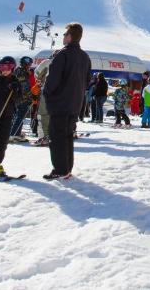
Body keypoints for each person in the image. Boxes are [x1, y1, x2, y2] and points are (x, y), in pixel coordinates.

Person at [41, 22, 91, 181]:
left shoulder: (62, 54)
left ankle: (60, 169)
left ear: (70, 36)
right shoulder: (85, 56)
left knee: (56, 137)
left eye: (65, 34)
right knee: (68, 136)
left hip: (60, 103)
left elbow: (53, 79)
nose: (63, 37)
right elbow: (88, 80)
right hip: (75, 103)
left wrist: (47, 93)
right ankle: (67, 168)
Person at [9, 57, 34, 138]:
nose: (29, 66)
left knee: (19, 115)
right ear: (24, 64)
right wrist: (30, 95)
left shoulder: (21, 71)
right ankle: (14, 134)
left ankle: (16, 133)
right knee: (20, 116)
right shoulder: (20, 71)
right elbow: (23, 86)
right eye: (28, 64)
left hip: (21, 97)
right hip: (22, 98)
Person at [33, 56, 52, 146]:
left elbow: (37, 73)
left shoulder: (48, 62)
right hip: (62, 94)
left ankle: (44, 137)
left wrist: (40, 81)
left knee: (43, 114)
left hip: (47, 91)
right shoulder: (69, 61)